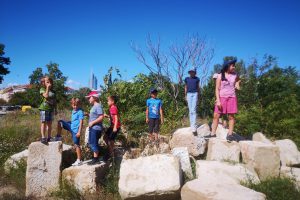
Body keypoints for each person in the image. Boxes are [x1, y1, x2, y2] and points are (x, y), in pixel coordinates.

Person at [205, 59, 241, 141]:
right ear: (227, 66)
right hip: (221, 98)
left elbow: (239, 79)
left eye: (234, 65)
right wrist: (218, 100)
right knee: (216, 115)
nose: (234, 67)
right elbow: (217, 89)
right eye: (233, 65)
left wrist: (237, 83)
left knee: (231, 116)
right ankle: (213, 134)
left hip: (232, 97)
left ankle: (230, 134)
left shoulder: (235, 75)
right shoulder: (220, 76)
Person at [55, 98, 84, 166]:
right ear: (71, 105)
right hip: (71, 126)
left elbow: (81, 122)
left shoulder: (80, 111)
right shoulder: (73, 111)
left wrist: (79, 132)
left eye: (76, 105)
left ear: (79, 105)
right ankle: (58, 136)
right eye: (74, 105)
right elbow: (75, 120)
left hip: (76, 130)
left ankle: (79, 160)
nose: (75, 106)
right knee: (60, 122)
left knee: (76, 144)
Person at [86, 91, 104, 165]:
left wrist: (92, 123)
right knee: (92, 142)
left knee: (93, 143)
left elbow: (101, 117)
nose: (88, 99)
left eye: (89, 98)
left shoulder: (98, 106)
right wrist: (88, 114)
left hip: (96, 128)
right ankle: (95, 158)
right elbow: (95, 116)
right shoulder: (94, 106)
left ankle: (96, 159)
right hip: (93, 127)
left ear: (94, 97)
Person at [39, 76, 56, 144]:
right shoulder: (42, 89)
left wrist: (56, 109)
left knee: (49, 124)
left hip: (51, 109)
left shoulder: (53, 91)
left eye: (50, 82)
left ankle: (49, 137)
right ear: (44, 83)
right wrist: (47, 88)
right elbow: (46, 96)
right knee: (44, 123)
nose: (49, 83)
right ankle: (43, 137)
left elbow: (55, 101)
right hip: (44, 108)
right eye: (47, 82)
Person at [103, 95, 121, 161]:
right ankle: (111, 150)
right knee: (105, 137)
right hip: (112, 126)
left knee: (110, 140)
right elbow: (113, 117)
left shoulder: (113, 108)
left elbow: (116, 118)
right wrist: (107, 116)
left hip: (115, 126)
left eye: (108, 101)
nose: (107, 102)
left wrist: (115, 127)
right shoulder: (111, 108)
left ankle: (111, 154)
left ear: (112, 101)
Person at [184, 68, 200, 134]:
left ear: (195, 72)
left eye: (192, 72)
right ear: (189, 73)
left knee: (193, 110)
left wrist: (199, 95)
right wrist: (185, 95)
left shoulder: (197, 79)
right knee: (190, 110)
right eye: (190, 72)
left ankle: (194, 126)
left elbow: (198, 87)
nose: (191, 73)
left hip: (195, 93)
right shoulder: (186, 79)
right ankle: (191, 125)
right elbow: (185, 87)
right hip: (189, 94)